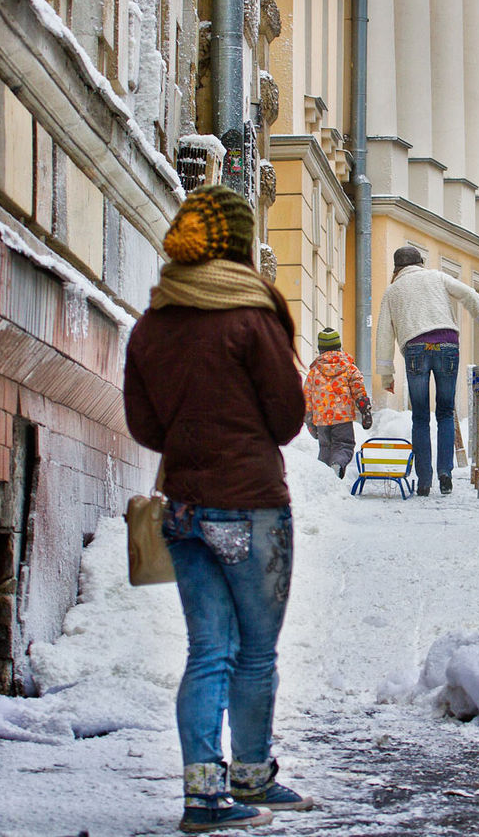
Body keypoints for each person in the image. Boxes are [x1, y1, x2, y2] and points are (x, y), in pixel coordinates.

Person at [123, 183, 313, 833]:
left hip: (184, 510)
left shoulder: (153, 324)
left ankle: (203, 794)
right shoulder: (251, 315)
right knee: (255, 653)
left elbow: (146, 426)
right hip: (253, 507)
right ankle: (251, 775)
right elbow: (289, 417)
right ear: (236, 243)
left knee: (208, 650)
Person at [375, 245, 479, 497]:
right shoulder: (437, 277)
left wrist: (386, 375)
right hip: (447, 345)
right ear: (420, 262)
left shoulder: (392, 291)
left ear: (397, 268)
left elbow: (384, 335)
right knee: (445, 412)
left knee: (419, 416)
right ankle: (445, 473)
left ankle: (423, 480)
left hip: (415, 349)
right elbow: (470, 295)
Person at [303, 328, 373, 478]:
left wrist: (309, 421)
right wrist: (365, 410)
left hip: (321, 419)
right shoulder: (349, 368)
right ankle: (337, 465)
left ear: (320, 350)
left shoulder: (314, 371)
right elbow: (358, 389)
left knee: (325, 448)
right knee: (344, 445)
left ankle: (323, 479)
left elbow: (307, 398)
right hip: (342, 418)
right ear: (339, 347)